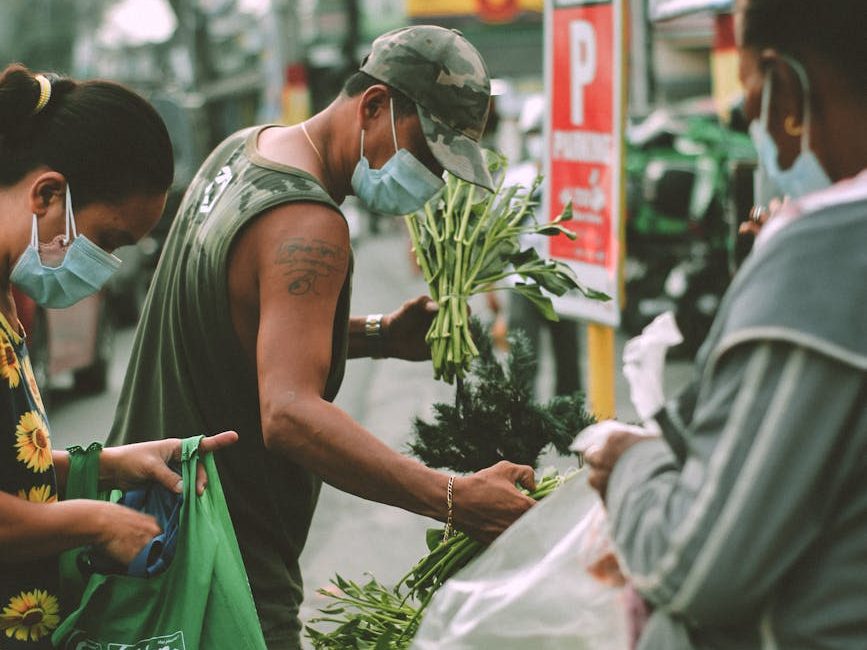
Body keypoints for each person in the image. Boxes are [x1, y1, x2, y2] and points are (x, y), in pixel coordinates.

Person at [107, 26, 537, 649]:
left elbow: (243, 326)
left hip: (144, 528)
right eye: (426, 152)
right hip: (224, 569)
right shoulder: (308, 220)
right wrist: (452, 496)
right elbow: (288, 413)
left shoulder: (239, 153)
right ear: (374, 106)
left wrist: (378, 335)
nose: (432, 180)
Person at [585, 0, 867, 647]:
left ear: (786, 87)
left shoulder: (823, 260)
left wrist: (629, 463)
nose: (754, 127)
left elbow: (691, 567)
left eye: (750, 105)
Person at [0, 65, 237, 648]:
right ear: (48, 194)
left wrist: (109, 465)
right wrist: (95, 519)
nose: (105, 264)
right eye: (106, 241)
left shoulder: (9, 300)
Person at [489, 93, 582, 396]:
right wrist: (492, 287)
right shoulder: (515, 180)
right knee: (523, 367)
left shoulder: (573, 178)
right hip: (523, 285)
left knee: (569, 369)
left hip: (564, 283)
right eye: (533, 132)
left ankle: (569, 430)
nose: (538, 139)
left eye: (543, 131)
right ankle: (523, 432)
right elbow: (498, 238)